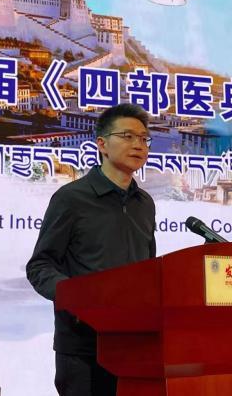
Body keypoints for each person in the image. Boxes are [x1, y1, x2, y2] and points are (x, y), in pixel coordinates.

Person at [26, 103, 157, 396]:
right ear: (102, 144)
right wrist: (78, 297)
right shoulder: (72, 198)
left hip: (133, 343)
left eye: (143, 138)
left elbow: (148, 268)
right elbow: (40, 266)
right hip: (83, 347)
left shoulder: (144, 204)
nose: (138, 145)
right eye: (127, 136)